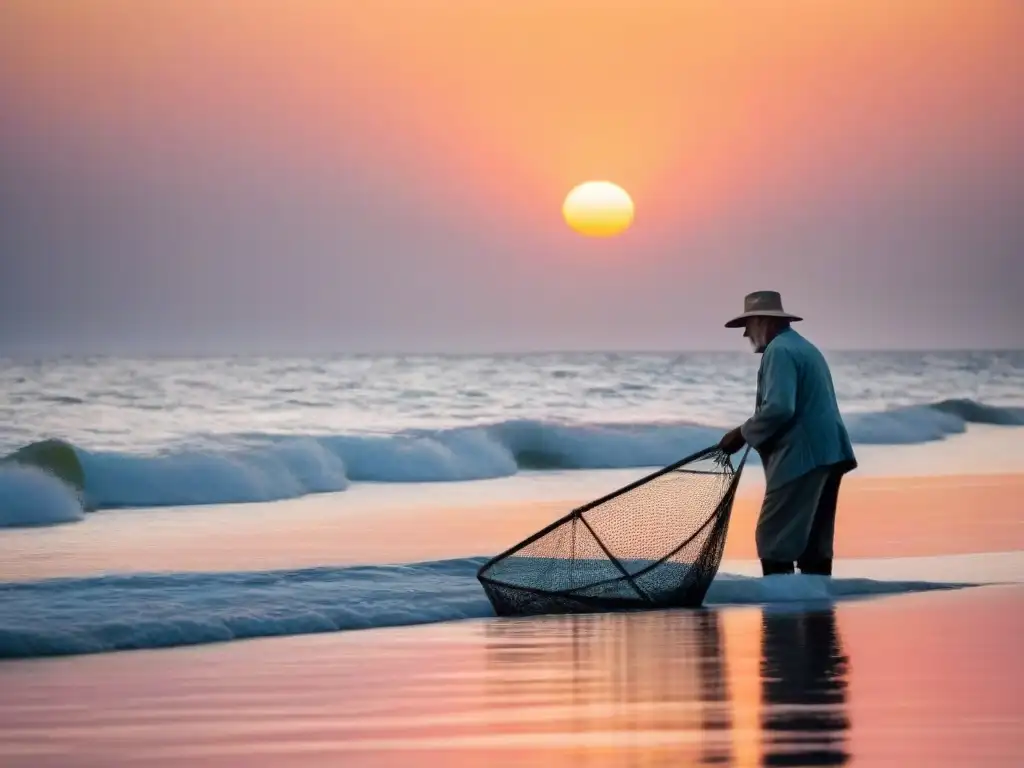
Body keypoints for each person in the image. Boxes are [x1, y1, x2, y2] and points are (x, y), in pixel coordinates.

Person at [717, 290, 857, 577]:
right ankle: (816, 610)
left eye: (747, 326)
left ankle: (781, 615)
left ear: (761, 321)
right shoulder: (804, 347)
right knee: (815, 543)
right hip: (831, 451)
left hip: (802, 455)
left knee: (773, 539)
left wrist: (741, 433)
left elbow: (780, 407)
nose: (745, 335)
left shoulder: (779, 351)